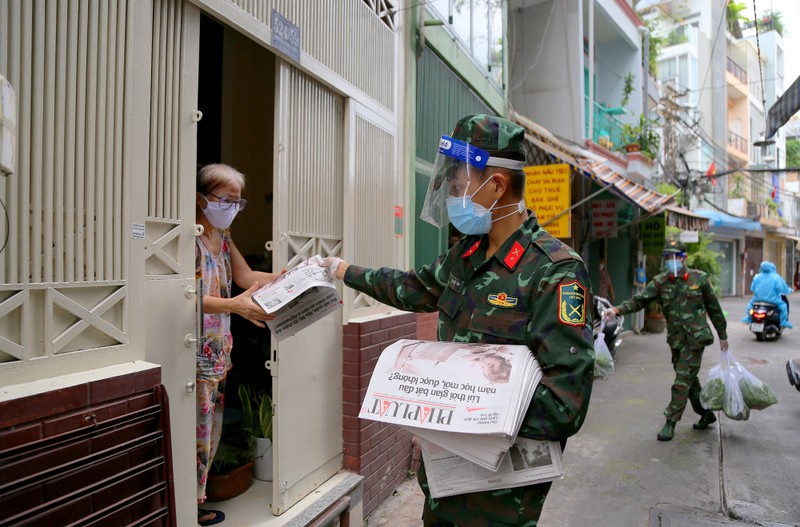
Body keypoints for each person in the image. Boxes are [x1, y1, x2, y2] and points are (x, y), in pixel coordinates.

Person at [318, 114, 594, 526]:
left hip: (499, 500)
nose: (453, 196)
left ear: (497, 186)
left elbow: (564, 405)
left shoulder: (555, 272)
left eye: (460, 186)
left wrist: (469, 405)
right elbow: (412, 287)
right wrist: (342, 271)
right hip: (444, 483)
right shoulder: (465, 255)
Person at [195, 163, 281, 526]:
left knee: (210, 428)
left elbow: (246, 278)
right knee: (195, 429)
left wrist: (296, 276)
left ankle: (194, 502)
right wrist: (235, 304)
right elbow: (189, 295)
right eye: (226, 200)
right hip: (193, 347)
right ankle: (188, 505)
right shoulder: (190, 237)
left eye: (237, 202)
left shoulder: (224, 237)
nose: (232, 207)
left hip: (219, 350)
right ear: (202, 199)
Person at [604, 240, 728, 441]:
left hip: (696, 341)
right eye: (667, 258)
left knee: (681, 382)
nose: (670, 261)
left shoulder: (700, 279)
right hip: (676, 341)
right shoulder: (661, 282)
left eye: (673, 257)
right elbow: (640, 300)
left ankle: (670, 422)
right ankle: (706, 413)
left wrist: (723, 336)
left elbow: (714, 309)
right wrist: (617, 310)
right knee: (690, 382)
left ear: (683, 258)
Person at [742, 261, 793, 328]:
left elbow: (752, 288)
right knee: (783, 306)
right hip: (773, 300)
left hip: (757, 299)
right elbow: (782, 289)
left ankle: (748, 318)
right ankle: (783, 321)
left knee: (750, 305)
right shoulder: (776, 277)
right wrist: (789, 290)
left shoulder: (757, 277)